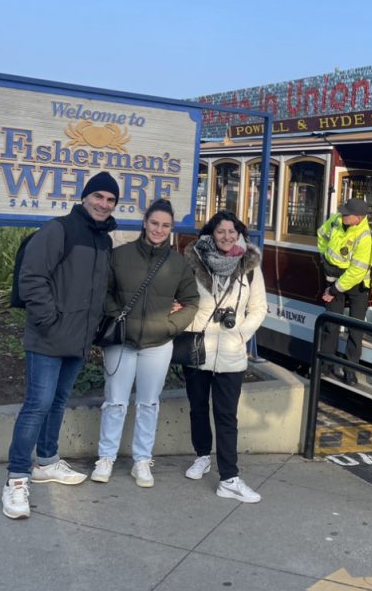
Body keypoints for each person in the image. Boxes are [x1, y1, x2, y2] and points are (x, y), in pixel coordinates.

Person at [2, 170, 119, 520]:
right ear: (85, 198)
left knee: (58, 402)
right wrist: (50, 320)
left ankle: (48, 461)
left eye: (110, 200)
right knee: (37, 404)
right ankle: (17, 479)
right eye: (98, 197)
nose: (103, 204)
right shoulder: (59, 230)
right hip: (48, 335)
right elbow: (32, 278)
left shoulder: (104, 240)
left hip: (78, 339)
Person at [91, 199, 199, 488]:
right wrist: (119, 319)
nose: (159, 229)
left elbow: (191, 302)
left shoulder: (178, 263)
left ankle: (142, 460)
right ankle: (106, 457)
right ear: (144, 223)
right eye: (154, 223)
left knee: (149, 403)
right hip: (120, 342)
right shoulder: (120, 255)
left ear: (171, 228)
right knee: (114, 402)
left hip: (159, 344)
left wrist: (169, 327)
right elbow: (105, 291)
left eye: (165, 225)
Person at [182, 210, 267, 503]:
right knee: (197, 407)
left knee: (226, 415)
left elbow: (259, 308)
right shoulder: (194, 262)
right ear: (211, 234)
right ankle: (202, 455)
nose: (227, 237)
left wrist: (241, 333)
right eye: (221, 232)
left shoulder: (250, 266)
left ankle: (229, 478)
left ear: (240, 234)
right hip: (199, 346)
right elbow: (183, 300)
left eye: (232, 232)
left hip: (231, 350)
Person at [316, 198, 372, 385]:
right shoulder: (336, 220)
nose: (343, 215)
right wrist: (325, 257)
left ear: (358, 218)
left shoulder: (366, 237)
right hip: (334, 276)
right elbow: (321, 234)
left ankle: (350, 370)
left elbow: (357, 271)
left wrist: (334, 289)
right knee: (331, 324)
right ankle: (325, 365)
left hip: (356, 285)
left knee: (355, 328)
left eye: (347, 214)